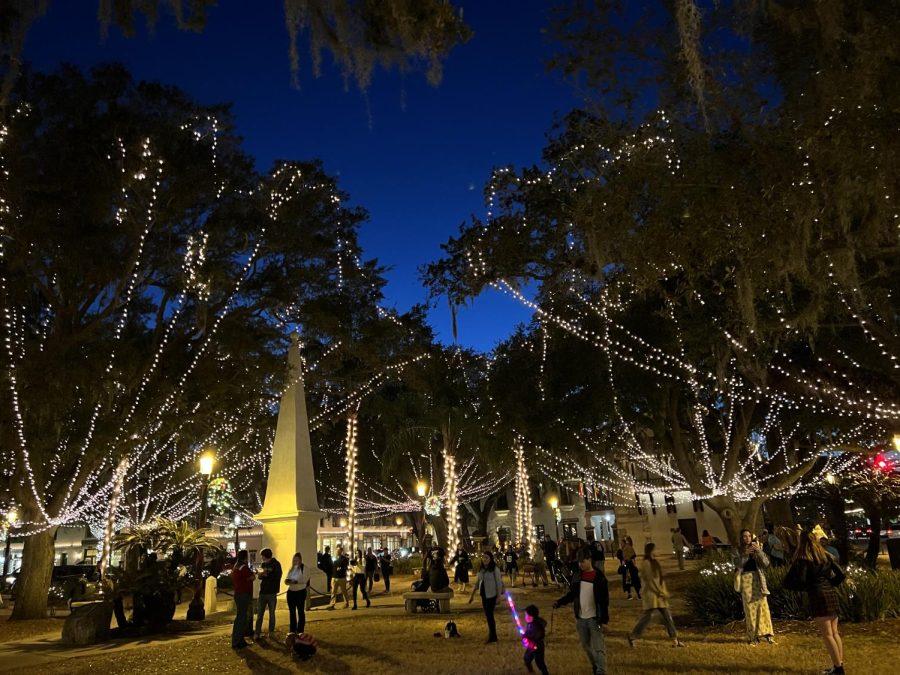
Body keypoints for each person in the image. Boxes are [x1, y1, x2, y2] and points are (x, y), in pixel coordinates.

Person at [784, 530, 846, 675]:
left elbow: (800, 580)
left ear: (802, 542)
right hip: (830, 593)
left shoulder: (804, 559)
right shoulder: (826, 556)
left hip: (818, 595)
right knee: (834, 632)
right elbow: (841, 575)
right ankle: (838, 665)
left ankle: (838, 669)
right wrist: (831, 583)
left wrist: (804, 588)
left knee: (828, 635)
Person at [553, 548, 610, 675]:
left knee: (599, 648)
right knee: (586, 645)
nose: (580, 564)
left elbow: (604, 600)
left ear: (589, 560)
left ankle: (601, 671)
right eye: (579, 562)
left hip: (595, 618)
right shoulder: (577, 576)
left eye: (582, 561)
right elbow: (572, 594)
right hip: (581, 618)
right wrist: (560, 602)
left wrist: (604, 618)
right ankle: (595, 665)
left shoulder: (599, 577)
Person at [628, 542, 685, 648]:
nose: (657, 551)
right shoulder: (646, 563)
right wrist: (660, 591)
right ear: (650, 551)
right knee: (647, 618)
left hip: (659, 595)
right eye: (655, 549)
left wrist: (663, 591)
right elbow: (650, 580)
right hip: (652, 594)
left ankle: (675, 640)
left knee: (667, 616)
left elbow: (659, 578)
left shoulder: (654, 562)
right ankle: (633, 636)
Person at [733, 529, 775, 645]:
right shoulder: (737, 550)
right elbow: (737, 564)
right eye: (744, 536)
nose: (747, 538)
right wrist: (745, 554)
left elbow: (766, 563)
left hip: (758, 579)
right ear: (741, 538)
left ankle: (768, 634)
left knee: (763, 606)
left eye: (749, 536)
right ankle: (753, 636)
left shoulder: (757, 547)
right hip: (746, 580)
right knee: (750, 609)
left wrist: (759, 551)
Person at [469, 551, 504, 643]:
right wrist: (472, 595)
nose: (484, 559)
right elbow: (478, 582)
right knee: (488, 615)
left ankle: (493, 637)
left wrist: (499, 596)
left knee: (489, 615)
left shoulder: (494, 569)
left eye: (487, 557)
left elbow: (498, 583)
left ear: (490, 559)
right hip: (484, 594)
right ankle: (492, 636)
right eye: (483, 557)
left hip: (492, 595)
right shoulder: (481, 569)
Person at [254, 548, 282, 640]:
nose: (261, 557)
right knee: (260, 614)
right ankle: (257, 633)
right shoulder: (263, 564)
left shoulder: (276, 564)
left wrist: (267, 575)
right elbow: (260, 577)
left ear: (265, 555)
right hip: (263, 592)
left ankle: (271, 632)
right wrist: (260, 574)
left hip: (272, 592)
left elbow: (278, 576)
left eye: (262, 555)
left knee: (271, 614)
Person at [231, 550, 254, 649]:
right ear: (245, 557)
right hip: (244, 594)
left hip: (238, 594)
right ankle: (238, 641)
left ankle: (238, 639)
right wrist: (251, 577)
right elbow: (252, 577)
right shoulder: (243, 567)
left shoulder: (236, 566)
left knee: (239, 618)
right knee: (242, 618)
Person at [285, 552, 311, 634]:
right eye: (294, 559)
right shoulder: (291, 568)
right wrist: (288, 581)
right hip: (291, 592)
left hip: (300, 592)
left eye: (297, 559)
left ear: (300, 560)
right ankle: (292, 630)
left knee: (300, 611)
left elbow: (305, 579)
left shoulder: (304, 568)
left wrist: (296, 581)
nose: (296, 561)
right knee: (292, 612)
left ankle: (300, 630)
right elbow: (287, 579)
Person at [522, 604, 549, 675]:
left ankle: (545, 673)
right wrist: (524, 636)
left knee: (540, 662)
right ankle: (530, 671)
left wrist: (527, 638)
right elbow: (527, 633)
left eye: (526, 615)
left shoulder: (537, 626)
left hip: (538, 647)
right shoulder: (530, 624)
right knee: (526, 658)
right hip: (531, 646)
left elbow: (538, 636)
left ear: (531, 616)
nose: (525, 617)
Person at [615, 536, 641, 600]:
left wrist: (627, 565)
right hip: (629, 566)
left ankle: (633, 594)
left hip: (628, 565)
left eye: (621, 543)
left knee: (630, 580)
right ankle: (636, 594)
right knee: (632, 580)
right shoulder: (624, 549)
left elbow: (631, 558)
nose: (621, 545)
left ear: (624, 543)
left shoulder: (626, 549)